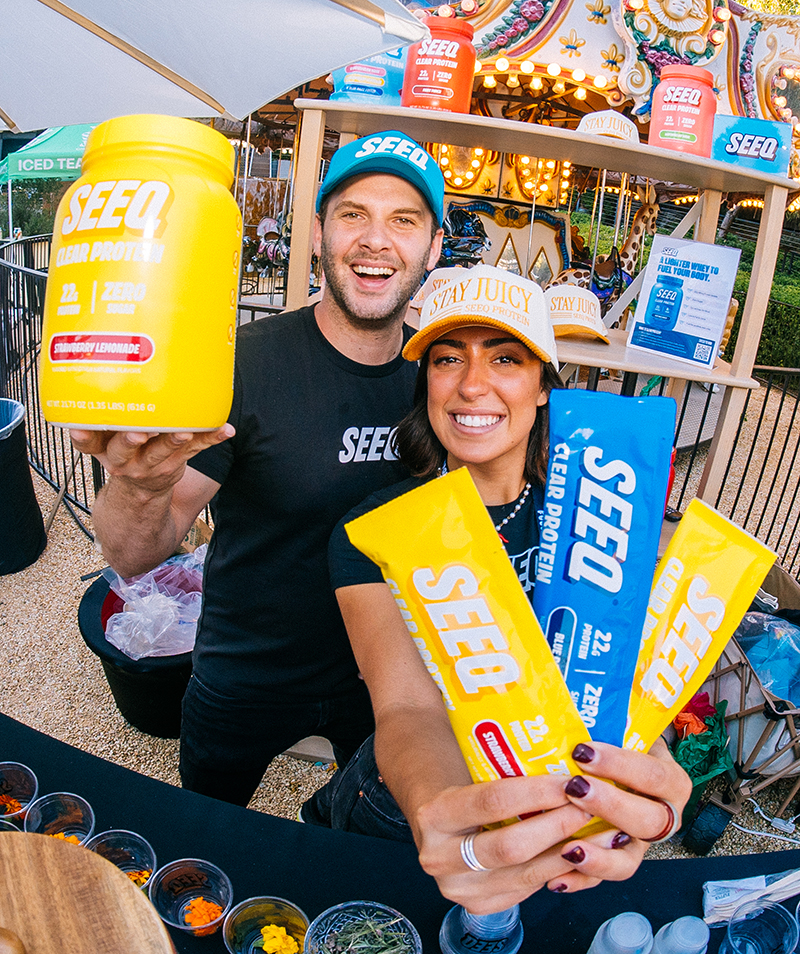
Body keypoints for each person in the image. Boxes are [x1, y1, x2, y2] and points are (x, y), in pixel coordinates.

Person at [70, 130, 445, 811]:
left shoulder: (440, 381)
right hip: (242, 674)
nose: (376, 240)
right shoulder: (244, 363)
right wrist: (137, 485)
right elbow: (132, 554)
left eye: (405, 220)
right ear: (319, 232)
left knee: (357, 836)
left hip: (378, 679)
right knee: (207, 836)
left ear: (434, 248)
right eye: (354, 213)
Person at [325, 264, 692, 912]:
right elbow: (406, 709)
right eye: (446, 359)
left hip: (556, 820)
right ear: (426, 382)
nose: (471, 385)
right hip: (401, 811)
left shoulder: (597, 525)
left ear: (545, 386)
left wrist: (641, 769)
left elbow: (614, 687)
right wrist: (442, 811)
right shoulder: (376, 531)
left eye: (505, 357)